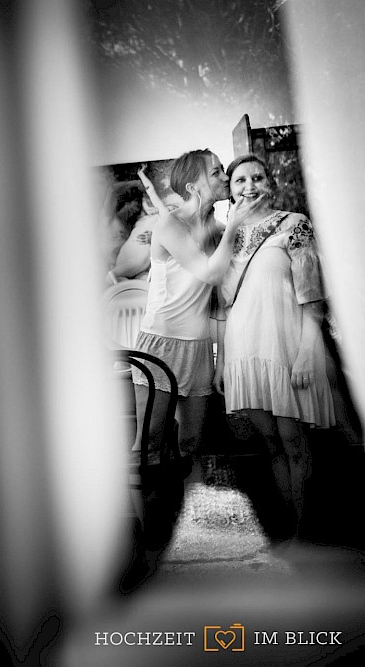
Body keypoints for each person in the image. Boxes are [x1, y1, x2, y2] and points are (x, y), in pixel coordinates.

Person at [121, 149, 258, 591]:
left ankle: (193, 534)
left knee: (194, 442)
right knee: (149, 448)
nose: (224, 175)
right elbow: (209, 273)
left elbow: (217, 304)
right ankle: (141, 543)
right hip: (161, 346)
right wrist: (235, 225)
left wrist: (218, 359)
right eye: (217, 171)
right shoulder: (170, 224)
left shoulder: (211, 225)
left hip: (198, 350)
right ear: (196, 184)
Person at [214, 153, 334, 540]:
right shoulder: (226, 238)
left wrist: (305, 352)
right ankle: (288, 526)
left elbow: (313, 298)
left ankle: (306, 532)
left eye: (258, 177)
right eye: (239, 181)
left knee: (294, 443)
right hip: (243, 354)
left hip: (284, 351)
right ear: (229, 192)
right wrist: (221, 364)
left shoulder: (293, 225)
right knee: (270, 445)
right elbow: (223, 304)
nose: (250, 186)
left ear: (271, 183)